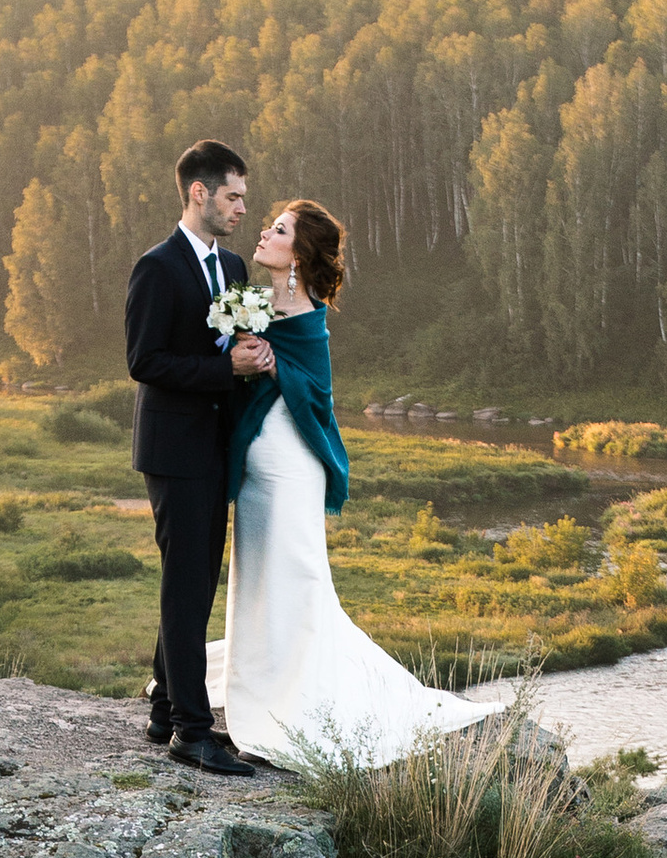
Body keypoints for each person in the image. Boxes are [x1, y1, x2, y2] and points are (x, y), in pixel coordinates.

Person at [215, 197, 511, 769]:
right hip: (256, 461)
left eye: (277, 230)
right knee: (255, 571)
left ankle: (296, 694)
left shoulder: (308, 317)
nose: (263, 232)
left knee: (294, 570)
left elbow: (318, 398)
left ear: (298, 254)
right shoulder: (250, 304)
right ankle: (256, 678)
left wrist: (276, 367)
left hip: (288, 462)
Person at [124, 138, 273, 775]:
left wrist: (256, 359)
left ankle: (164, 709)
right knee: (186, 587)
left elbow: (235, 346)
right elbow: (144, 361)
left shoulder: (233, 266)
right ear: (199, 193)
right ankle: (192, 729)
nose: (243, 207)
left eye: (244, 196)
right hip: (175, 450)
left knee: (195, 582)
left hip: (216, 448)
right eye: (233, 196)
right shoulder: (157, 267)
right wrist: (223, 369)